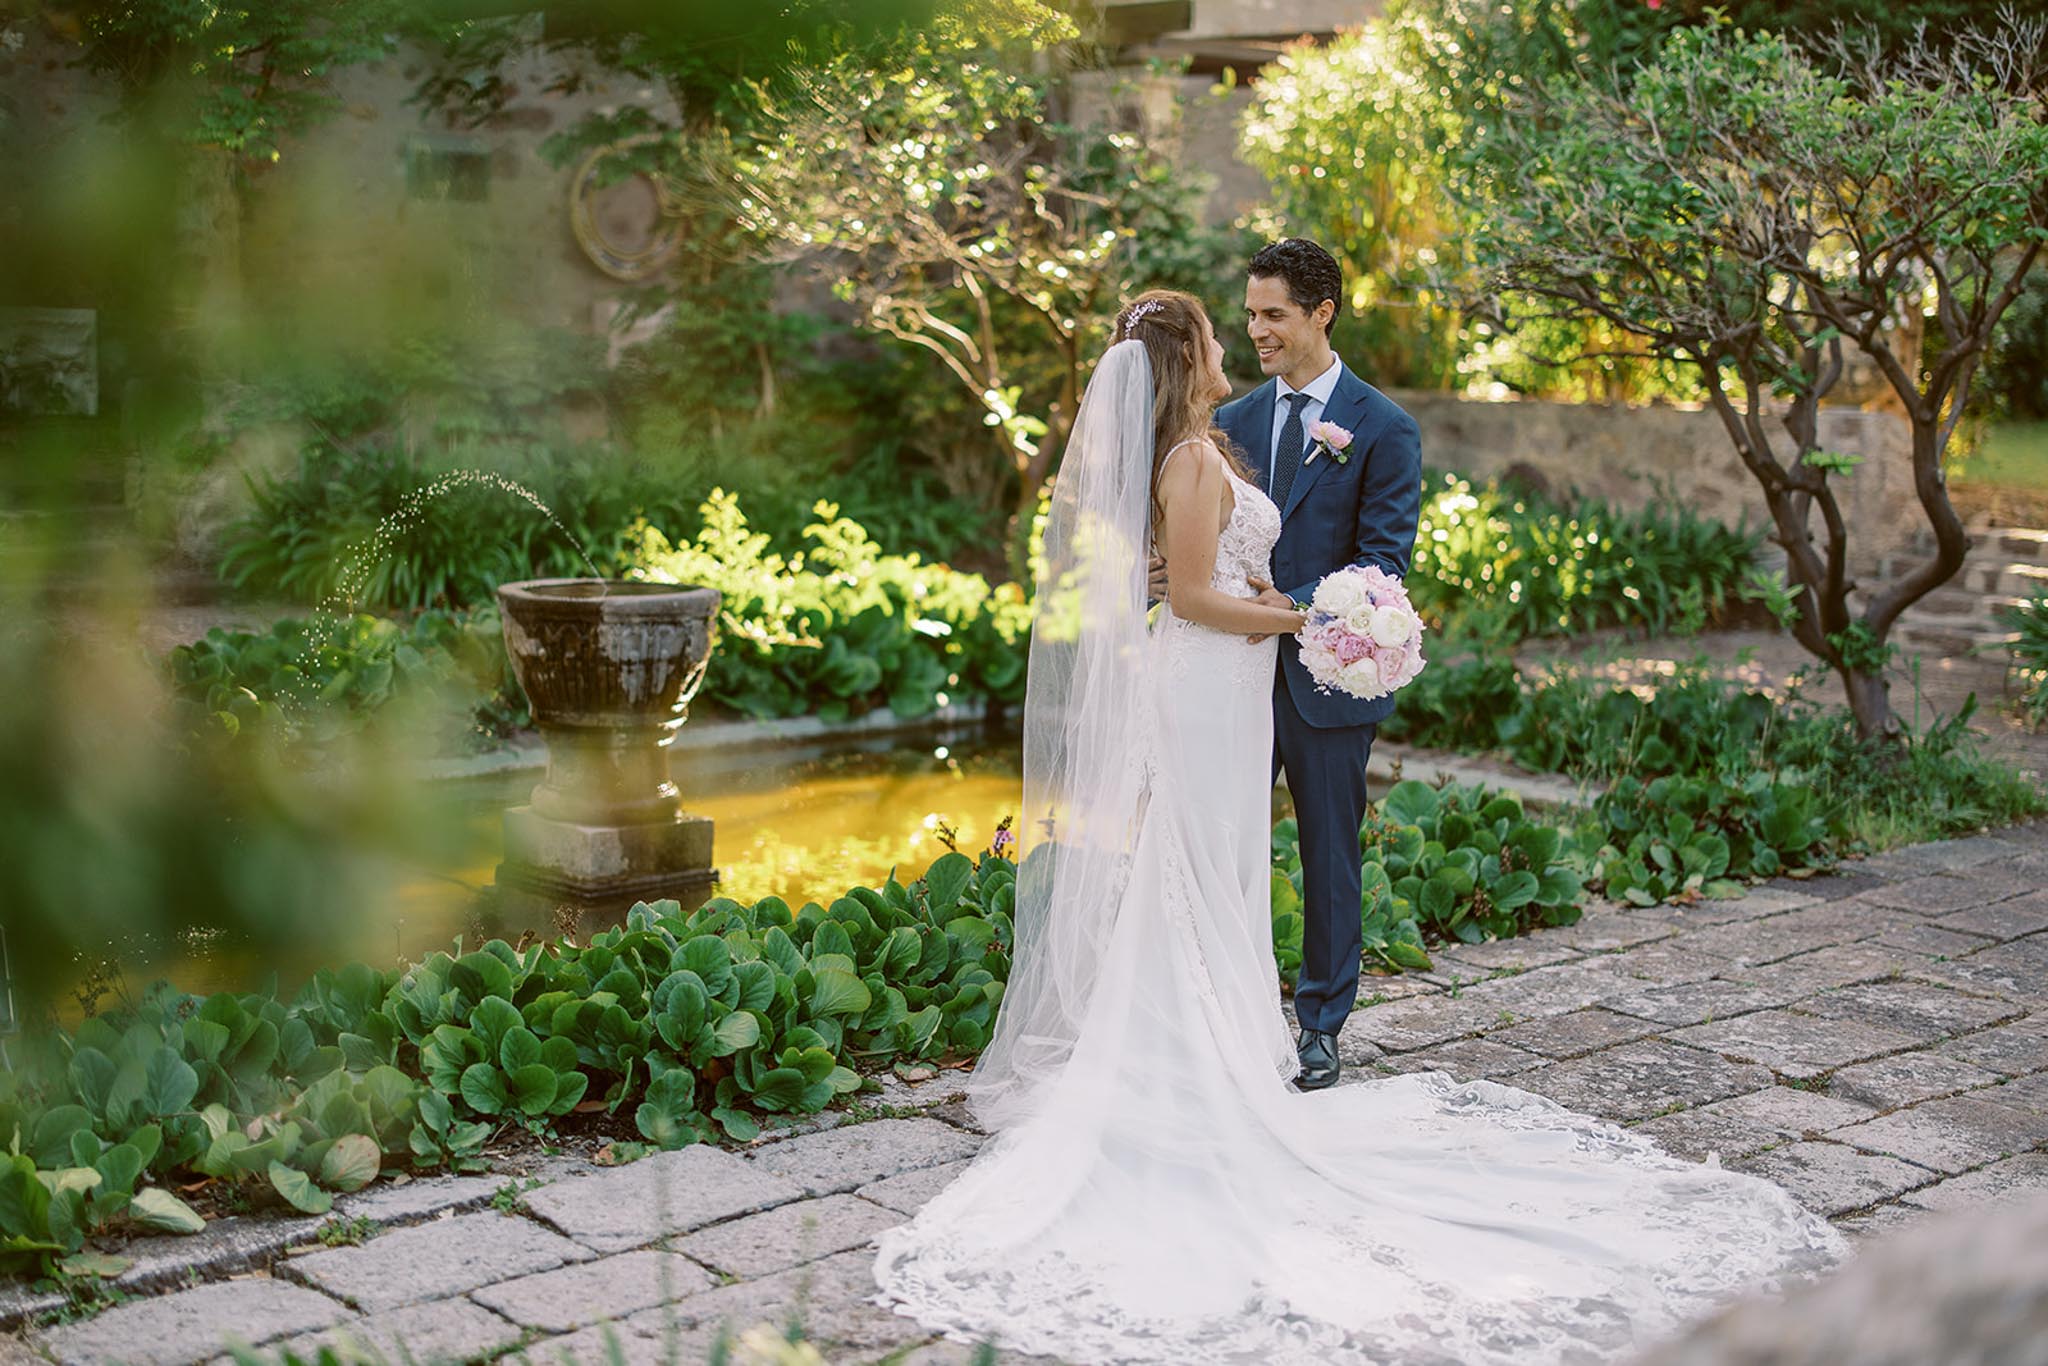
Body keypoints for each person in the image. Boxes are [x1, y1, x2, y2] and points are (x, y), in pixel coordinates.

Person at [872, 288, 1845, 1365]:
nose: (1233, 340)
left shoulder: (1227, 442)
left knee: (1218, 868)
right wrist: (1305, 616)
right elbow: (1192, 595)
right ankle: (1176, 1063)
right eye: (1216, 329)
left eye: (1259, 317)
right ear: (1183, 356)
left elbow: (1204, 570)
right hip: (1207, 682)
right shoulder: (1199, 454)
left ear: (1319, 311)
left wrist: (1295, 603)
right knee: (1190, 870)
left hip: (1231, 686)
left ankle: (1235, 1044)